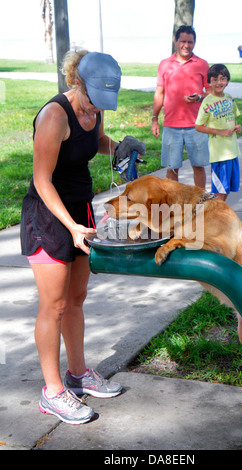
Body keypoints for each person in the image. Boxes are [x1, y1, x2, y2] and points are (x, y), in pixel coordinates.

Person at [20, 50, 133, 425]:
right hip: (49, 217)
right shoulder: (54, 116)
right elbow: (41, 179)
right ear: (77, 81)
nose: (97, 107)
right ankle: (52, 392)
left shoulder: (94, 108)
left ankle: (79, 374)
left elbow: (96, 140)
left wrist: (117, 147)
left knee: (77, 298)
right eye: (93, 97)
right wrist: (69, 225)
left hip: (80, 210)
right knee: (53, 306)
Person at [151, 25, 210, 188]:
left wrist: (199, 96)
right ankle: (173, 207)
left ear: (194, 43)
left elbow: (211, 93)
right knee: (172, 169)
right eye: (183, 41)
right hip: (171, 126)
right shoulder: (164, 64)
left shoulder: (202, 64)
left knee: (198, 166)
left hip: (196, 126)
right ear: (175, 41)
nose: (186, 45)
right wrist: (154, 119)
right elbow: (159, 93)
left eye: (190, 42)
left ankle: (200, 202)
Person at [195, 64, 242, 202]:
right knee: (219, 192)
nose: (219, 82)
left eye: (222, 79)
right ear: (209, 82)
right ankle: (215, 218)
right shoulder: (207, 102)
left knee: (227, 189)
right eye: (214, 79)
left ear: (227, 81)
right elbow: (198, 126)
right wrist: (220, 132)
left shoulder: (229, 98)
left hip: (232, 151)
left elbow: (232, 119)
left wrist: (236, 127)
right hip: (219, 154)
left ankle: (218, 215)